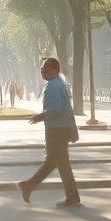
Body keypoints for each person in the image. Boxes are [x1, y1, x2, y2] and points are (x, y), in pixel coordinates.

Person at [16, 57, 81, 207]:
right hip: (61, 128)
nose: (42, 70)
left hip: (57, 130)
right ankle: (72, 196)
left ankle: (29, 186)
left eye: (45, 67)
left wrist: (42, 115)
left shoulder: (53, 86)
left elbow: (57, 109)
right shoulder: (58, 84)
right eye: (41, 67)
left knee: (55, 162)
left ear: (54, 70)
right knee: (59, 162)